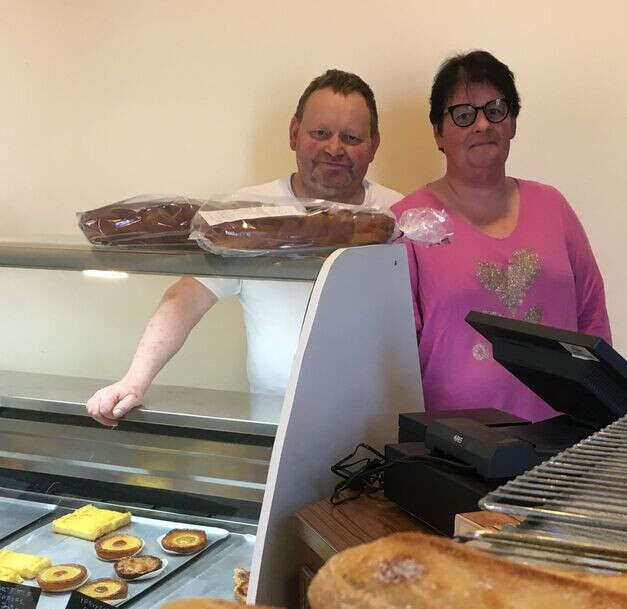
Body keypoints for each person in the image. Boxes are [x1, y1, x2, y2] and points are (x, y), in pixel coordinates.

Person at [87, 70, 402, 426]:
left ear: (374, 145)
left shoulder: (396, 216)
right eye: (320, 133)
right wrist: (134, 379)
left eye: (351, 137)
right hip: (273, 421)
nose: (334, 148)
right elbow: (187, 297)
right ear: (294, 133)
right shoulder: (246, 213)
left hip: (376, 426)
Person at [391, 51, 612, 421]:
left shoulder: (553, 206)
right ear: (438, 133)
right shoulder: (408, 222)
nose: (481, 125)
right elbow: (393, 352)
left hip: (565, 441)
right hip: (454, 449)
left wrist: (598, 409)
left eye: (495, 109)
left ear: (512, 123)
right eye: (463, 114)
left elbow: (594, 320)